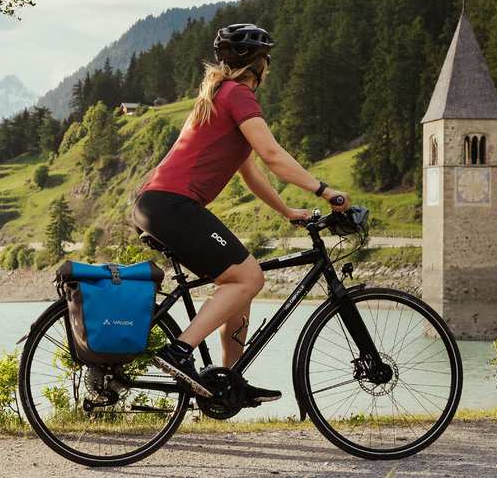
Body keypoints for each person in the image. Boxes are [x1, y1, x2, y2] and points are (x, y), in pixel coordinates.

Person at [132, 23, 351, 403]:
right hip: (172, 205)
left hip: (158, 205)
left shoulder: (220, 94)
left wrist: (287, 211)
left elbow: (250, 170)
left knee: (241, 285)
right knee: (247, 278)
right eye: (268, 60)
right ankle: (178, 352)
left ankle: (229, 380)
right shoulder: (239, 96)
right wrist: (325, 191)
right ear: (260, 64)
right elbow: (272, 155)